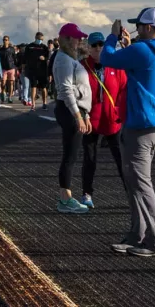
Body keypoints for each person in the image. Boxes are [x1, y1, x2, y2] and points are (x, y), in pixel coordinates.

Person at [100, 7, 155, 258]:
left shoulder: (140, 50)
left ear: (148, 28)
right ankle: (137, 235)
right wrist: (130, 45)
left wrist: (112, 37)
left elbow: (107, 59)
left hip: (138, 125)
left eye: (139, 26)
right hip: (149, 125)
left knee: (140, 183)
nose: (137, 29)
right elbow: (143, 68)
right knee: (135, 183)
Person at [80, 32, 127, 209]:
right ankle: (87, 193)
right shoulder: (82, 67)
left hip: (112, 119)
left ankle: (130, 192)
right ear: (89, 48)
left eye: (101, 44)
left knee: (121, 159)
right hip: (91, 120)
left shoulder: (116, 66)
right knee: (90, 158)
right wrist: (82, 115)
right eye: (94, 45)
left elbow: (123, 90)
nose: (98, 48)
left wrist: (119, 111)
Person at [53, 24, 92, 214]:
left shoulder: (69, 58)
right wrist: (78, 116)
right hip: (70, 110)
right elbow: (66, 90)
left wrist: (87, 114)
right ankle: (65, 199)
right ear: (67, 39)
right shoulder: (63, 60)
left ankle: (66, 197)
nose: (79, 41)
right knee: (70, 155)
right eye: (76, 38)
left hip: (77, 110)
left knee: (72, 154)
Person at [23, 32, 51, 111]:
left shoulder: (44, 47)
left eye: (42, 39)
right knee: (33, 87)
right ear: (35, 38)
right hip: (32, 70)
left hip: (42, 70)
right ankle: (33, 104)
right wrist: (24, 68)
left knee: (43, 87)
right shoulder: (29, 47)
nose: (40, 41)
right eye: (39, 39)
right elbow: (25, 58)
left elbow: (48, 58)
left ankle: (44, 103)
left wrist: (44, 58)